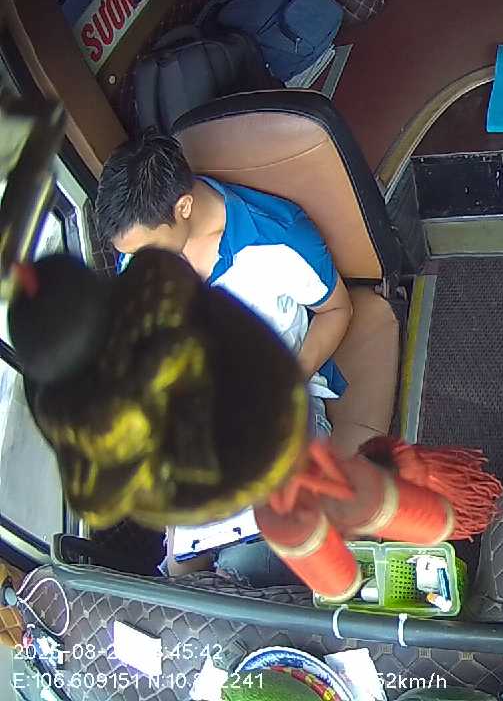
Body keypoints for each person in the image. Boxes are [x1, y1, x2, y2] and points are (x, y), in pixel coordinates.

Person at [95, 130, 354, 585]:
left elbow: (337, 311)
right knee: (183, 565)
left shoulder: (277, 238)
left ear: (183, 207)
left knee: (249, 567)